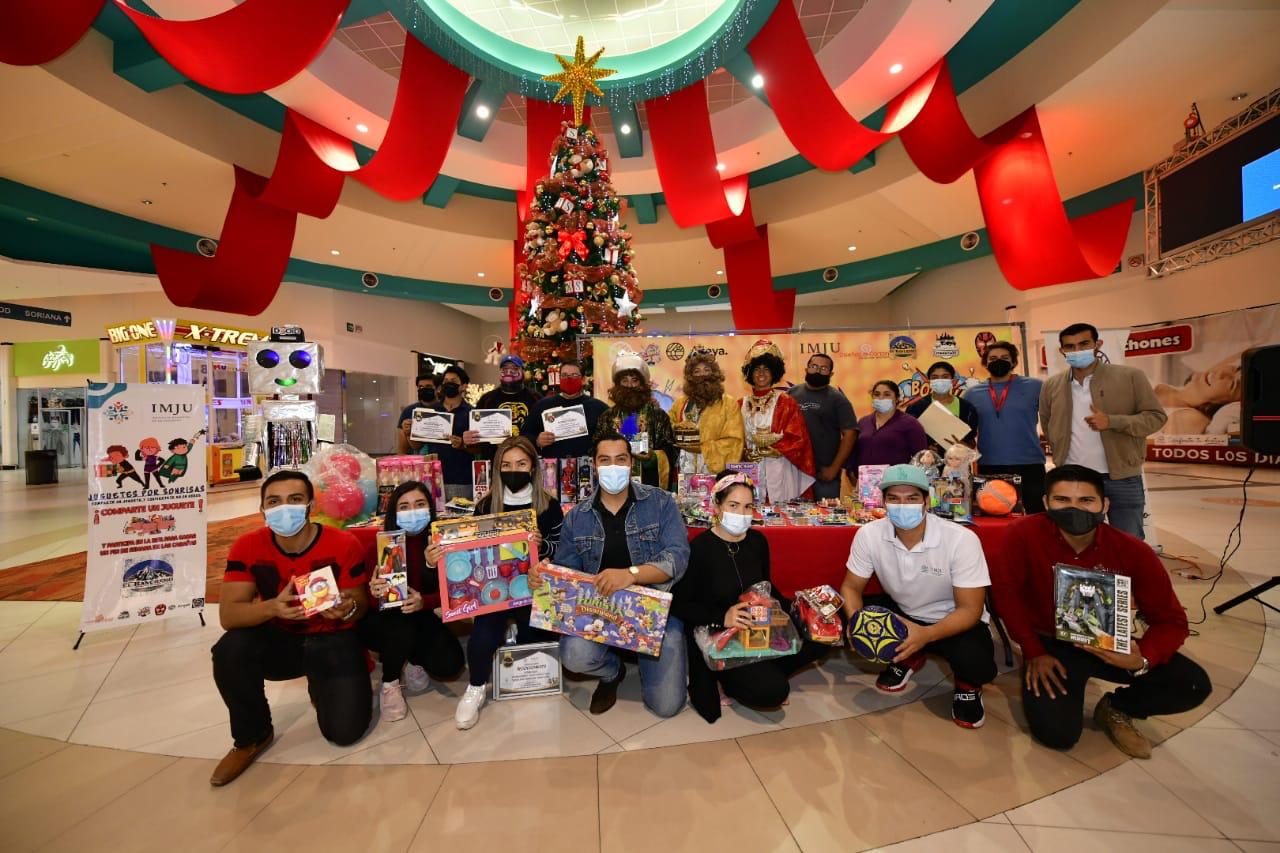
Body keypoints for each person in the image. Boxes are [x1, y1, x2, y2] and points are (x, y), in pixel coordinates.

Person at [991, 464, 1211, 757]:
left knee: (1192, 684)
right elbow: (1006, 595)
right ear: (1045, 502)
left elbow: (1171, 621)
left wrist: (1142, 659)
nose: (1074, 509)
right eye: (1062, 500)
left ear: (1104, 505)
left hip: (1110, 642)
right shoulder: (1022, 534)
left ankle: (1118, 707)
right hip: (1052, 645)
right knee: (1057, 734)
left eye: (1086, 500)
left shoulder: (1133, 551)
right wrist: (1033, 651)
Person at [209, 471, 372, 787]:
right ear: (262, 509)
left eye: (295, 499)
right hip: (279, 640)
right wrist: (272, 607)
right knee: (230, 649)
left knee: (344, 733)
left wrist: (347, 608)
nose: (284, 508)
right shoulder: (247, 546)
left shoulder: (343, 543)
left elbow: (360, 603)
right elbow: (229, 615)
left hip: (332, 638)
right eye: (274, 501)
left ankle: (321, 684)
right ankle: (252, 736)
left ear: (310, 505)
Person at [538, 432, 690, 717]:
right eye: (605, 460)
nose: (613, 467)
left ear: (631, 463)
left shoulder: (661, 502)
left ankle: (644, 656)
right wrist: (545, 577)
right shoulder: (577, 517)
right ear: (594, 465)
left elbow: (677, 557)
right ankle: (612, 670)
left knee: (667, 705)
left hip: (653, 611)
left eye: (620, 459)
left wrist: (631, 574)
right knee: (574, 655)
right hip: (599, 611)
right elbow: (568, 574)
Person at [840, 464, 996, 729]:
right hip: (904, 611)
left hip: (951, 618)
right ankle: (910, 656)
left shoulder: (961, 539)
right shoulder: (869, 534)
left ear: (927, 501)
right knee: (844, 615)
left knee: (976, 664)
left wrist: (926, 634)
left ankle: (967, 687)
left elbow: (970, 610)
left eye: (912, 498)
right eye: (894, 498)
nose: (903, 506)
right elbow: (851, 588)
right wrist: (858, 625)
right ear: (883, 502)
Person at [429, 436, 564, 729]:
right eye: (506, 464)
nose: (514, 470)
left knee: (535, 640)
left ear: (533, 467)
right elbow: (468, 549)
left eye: (521, 464)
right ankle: (475, 687)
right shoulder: (486, 504)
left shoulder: (549, 505)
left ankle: (519, 646)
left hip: (533, 588)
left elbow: (560, 547)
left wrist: (542, 547)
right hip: (495, 590)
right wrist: (438, 555)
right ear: (497, 468)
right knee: (483, 634)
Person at [671, 472, 827, 722]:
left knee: (822, 632)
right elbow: (680, 604)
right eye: (733, 505)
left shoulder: (757, 541)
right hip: (722, 641)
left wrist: (802, 610)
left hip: (759, 629)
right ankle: (730, 679)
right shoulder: (700, 549)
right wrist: (723, 616)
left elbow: (768, 588)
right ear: (717, 505)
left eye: (747, 507)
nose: (741, 513)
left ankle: (764, 668)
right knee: (773, 692)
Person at [1041, 323, 1167, 539]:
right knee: (1076, 540)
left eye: (1084, 344)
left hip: (1121, 477)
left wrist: (1112, 421)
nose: (1077, 350)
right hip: (1074, 478)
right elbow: (1047, 423)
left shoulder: (1130, 376)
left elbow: (1156, 417)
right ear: (1061, 351)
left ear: (1097, 344)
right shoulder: (1052, 385)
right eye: (1070, 346)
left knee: (1127, 541)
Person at [360, 480, 465, 722]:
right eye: (404, 506)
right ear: (394, 512)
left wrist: (424, 600)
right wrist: (374, 592)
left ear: (430, 508)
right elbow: (371, 603)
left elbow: (455, 592)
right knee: (400, 621)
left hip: (421, 614)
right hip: (386, 621)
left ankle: (412, 658)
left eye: (419, 504)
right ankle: (390, 682)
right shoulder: (383, 545)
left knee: (450, 664)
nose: (413, 512)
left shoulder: (441, 543)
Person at [964, 341, 1046, 513]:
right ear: (985, 363)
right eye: (993, 358)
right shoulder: (971, 394)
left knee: (1036, 515)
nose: (998, 361)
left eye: (1005, 357)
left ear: (1014, 362)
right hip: (989, 464)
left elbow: (1053, 417)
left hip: (1030, 463)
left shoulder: (1036, 387)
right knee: (995, 517)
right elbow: (965, 430)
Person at [740, 339, 815, 502]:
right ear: (750, 372)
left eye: (766, 369)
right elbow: (734, 439)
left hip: (780, 468)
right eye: (757, 369)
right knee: (748, 506)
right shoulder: (740, 404)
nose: (761, 373)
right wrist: (744, 452)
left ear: (774, 372)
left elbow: (798, 438)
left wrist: (776, 450)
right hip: (749, 469)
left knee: (780, 510)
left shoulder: (786, 402)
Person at [594, 352, 677, 489]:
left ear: (642, 384)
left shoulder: (658, 415)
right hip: (615, 483)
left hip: (650, 485)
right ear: (618, 385)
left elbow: (671, 449)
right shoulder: (607, 417)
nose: (630, 385)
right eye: (624, 381)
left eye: (634, 380)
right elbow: (595, 449)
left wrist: (653, 457)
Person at [788, 353, 858, 500]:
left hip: (824, 474)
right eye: (814, 366)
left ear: (831, 374)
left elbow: (850, 434)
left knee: (826, 513)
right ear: (806, 369)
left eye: (823, 368)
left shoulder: (838, 399)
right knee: (793, 511)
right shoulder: (792, 394)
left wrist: (834, 468)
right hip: (795, 471)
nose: (818, 371)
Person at [668, 347, 745, 478]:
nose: (702, 375)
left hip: (715, 474)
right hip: (684, 471)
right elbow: (668, 430)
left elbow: (735, 442)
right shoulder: (680, 404)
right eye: (696, 371)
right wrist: (679, 429)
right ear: (690, 377)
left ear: (714, 373)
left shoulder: (728, 404)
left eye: (706, 370)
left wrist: (703, 448)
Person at [410, 364, 476, 502]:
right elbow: (416, 445)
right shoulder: (430, 412)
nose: (448, 384)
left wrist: (462, 445)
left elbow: (478, 449)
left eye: (453, 381)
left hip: (462, 480)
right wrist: (408, 432)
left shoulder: (472, 413)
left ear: (463, 386)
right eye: (446, 381)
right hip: (433, 477)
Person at [523, 359, 607, 459]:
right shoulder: (542, 406)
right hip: (552, 466)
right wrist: (536, 441)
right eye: (564, 375)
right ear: (559, 379)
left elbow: (611, 438)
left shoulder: (599, 407)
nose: (569, 379)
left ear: (583, 379)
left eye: (574, 375)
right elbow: (524, 436)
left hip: (588, 466)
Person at [846, 381, 928, 476]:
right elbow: (854, 453)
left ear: (897, 398)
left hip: (896, 481)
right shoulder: (863, 422)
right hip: (865, 481)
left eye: (887, 394)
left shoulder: (911, 423)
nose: (881, 398)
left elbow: (921, 457)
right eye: (877, 394)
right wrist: (852, 474)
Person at [1155, 351, 1245, 435]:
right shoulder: (1162, 385)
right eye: (1236, 369)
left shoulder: (1190, 420)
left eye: (1232, 384)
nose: (1221, 373)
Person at [468, 355, 541, 455]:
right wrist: (469, 439)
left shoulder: (536, 398)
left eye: (514, 369)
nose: (509, 372)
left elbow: (543, 431)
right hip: (495, 459)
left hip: (528, 457)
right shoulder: (487, 399)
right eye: (505, 369)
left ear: (523, 371)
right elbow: (476, 435)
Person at [906, 361, 979, 449]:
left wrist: (963, 445)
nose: (940, 381)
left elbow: (971, 442)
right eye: (934, 377)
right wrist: (925, 448)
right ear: (929, 381)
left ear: (952, 380)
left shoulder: (967, 408)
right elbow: (908, 439)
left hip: (958, 457)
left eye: (945, 377)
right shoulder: (915, 408)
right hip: (927, 457)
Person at [397, 373, 439, 455]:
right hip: (417, 459)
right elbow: (402, 448)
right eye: (420, 387)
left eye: (428, 386)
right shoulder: (408, 411)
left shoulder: (445, 409)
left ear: (437, 388)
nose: (424, 389)